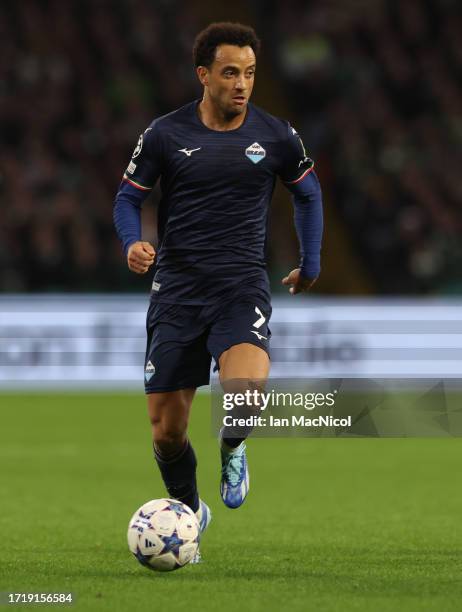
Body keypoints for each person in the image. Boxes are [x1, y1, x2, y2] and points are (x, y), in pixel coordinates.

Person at [113, 22, 323, 560]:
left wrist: (311, 260)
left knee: (246, 394)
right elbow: (126, 199)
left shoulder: (276, 135)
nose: (242, 84)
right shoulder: (165, 133)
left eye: (250, 73)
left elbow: (308, 195)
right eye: (231, 73)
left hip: (240, 286)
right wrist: (134, 242)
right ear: (204, 75)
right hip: (178, 292)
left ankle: (234, 448)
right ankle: (188, 511)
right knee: (166, 432)